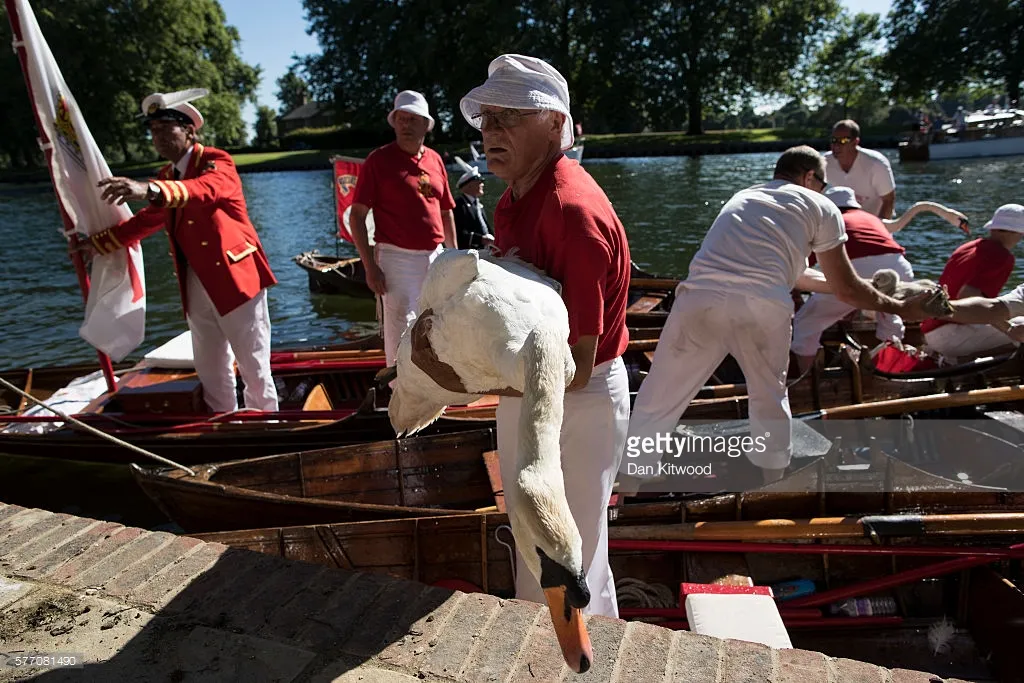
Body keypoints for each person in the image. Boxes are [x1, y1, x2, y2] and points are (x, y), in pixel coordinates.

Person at [412, 55, 632, 618]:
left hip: (575, 403)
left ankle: (585, 663)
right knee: (534, 547)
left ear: (556, 123)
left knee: (571, 556)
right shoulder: (515, 198)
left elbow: (575, 368)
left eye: (509, 117)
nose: (490, 132)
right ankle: (544, 656)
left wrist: (455, 376)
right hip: (525, 392)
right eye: (485, 119)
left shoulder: (571, 212)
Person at [624, 146, 932, 487]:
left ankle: (629, 491)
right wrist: (899, 305)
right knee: (768, 397)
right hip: (762, 306)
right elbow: (847, 291)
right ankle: (774, 485)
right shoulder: (821, 205)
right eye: (823, 184)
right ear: (810, 177)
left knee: (657, 399)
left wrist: (869, 286)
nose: (824, 191)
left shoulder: (744, 197)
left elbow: (800, 276)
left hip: (698, 298)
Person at [90, 90, 278, 413]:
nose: (158, 137)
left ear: (190, 130)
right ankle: (224, 430)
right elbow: (146, 221)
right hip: (195, 283)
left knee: (254, 367)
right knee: (211, 369)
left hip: (236, 281)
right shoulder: (167, 177)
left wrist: (148, 189)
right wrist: (95, 244)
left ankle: (269, 432)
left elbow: (204, 191)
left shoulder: (216, 162)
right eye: (153, 131)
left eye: (166, 128)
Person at [791, 186, 969, 371]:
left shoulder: (828, 220)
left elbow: (800, 268)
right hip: (899, 266)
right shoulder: (871, 219)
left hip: (857, 268)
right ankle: (891, 365)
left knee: (806, 324)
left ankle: (809, 378)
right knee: (888, 315)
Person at [349, 90, 457, 366]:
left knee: (440, 322)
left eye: (413, 119)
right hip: (396, 258)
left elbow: (446, 213)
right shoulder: (379, 160)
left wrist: (454, 258)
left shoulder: (434, 159)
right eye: (401, 118)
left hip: (435, 255)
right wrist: (370, 266)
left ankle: (436, 390)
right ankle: (400, 397)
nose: (406, 124)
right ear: (394, 122)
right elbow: (357, 216)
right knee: (400, 329)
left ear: (426, 125)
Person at [920, 204, 1024, 361]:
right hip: (951, 335)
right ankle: (963, 363)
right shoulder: (1001, 256)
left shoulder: (969, 246)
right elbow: (968, 297)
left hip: (932, 330)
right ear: (1018, 231)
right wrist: (1009, 329)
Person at [824, 119, 896, 218]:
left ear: (855, 142)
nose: (836, 145)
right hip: (839, 228)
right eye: (833, 140)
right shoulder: (823, 163)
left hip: (873, 225)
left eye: (843, 141)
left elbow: (888, 200)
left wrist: (878, 229)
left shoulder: (876, 163)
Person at [452, 165, 494, 249]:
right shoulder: (459, 204)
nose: (482, 184)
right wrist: (480, 239)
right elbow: (458, 233)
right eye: (479, 181)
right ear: (469, 185)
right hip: (469, 253)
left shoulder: (478, 204)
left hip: (485, 250)